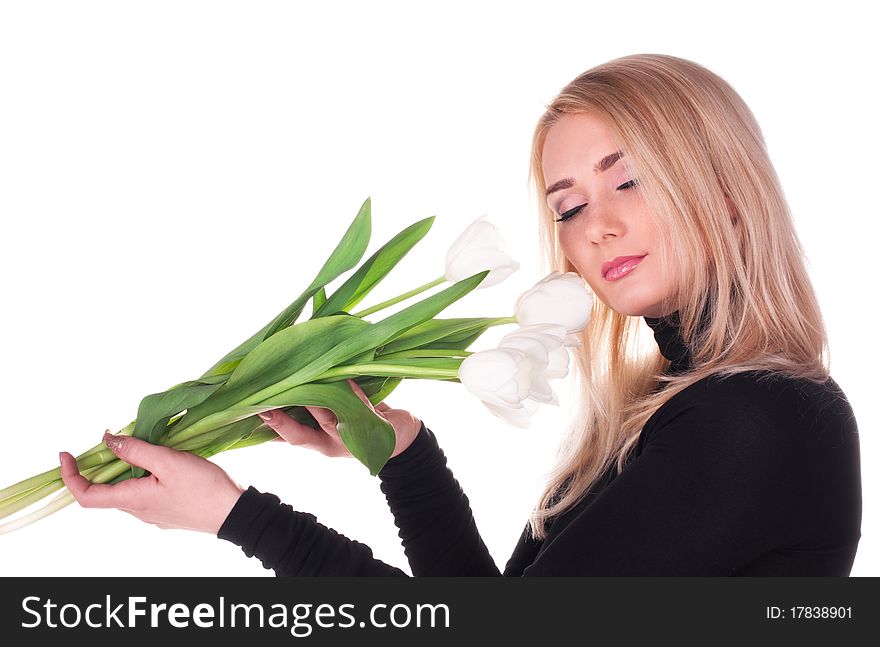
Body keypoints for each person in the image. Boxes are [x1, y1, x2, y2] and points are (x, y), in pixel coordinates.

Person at [59, 53, 862, 576]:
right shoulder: (679, 408)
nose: (596, 225)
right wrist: (403, 454)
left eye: (629, 180)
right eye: (569, 206)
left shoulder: (761, 417)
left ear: (723, 192)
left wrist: (236, 514)